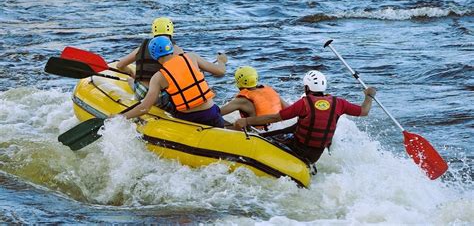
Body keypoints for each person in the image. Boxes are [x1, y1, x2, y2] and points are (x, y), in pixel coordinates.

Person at [234, 70, 376, 165]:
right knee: (293, 127)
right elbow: (364, 111)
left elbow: (275, 118)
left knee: (270, 138)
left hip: (299, 150)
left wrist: (246, 121)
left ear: (306, 88)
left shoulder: (304, 103)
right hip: (316, 155)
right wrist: (369, 96)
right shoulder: (339, 103)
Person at [122, 36, 228, 128]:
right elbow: (220, 71)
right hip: (211, 113)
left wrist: (120, 117)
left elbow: (144, 108)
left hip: (189, 119)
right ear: (171, 49)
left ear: (154, 56)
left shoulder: (158, 77)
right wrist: (221, 61)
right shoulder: (191, 57)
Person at [220, 66, 289, 130]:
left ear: (238, 82)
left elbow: (216, 113)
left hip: (261, 135)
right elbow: (288, 109)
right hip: (278, 129)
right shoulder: (271, 91)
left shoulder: (241, 100)